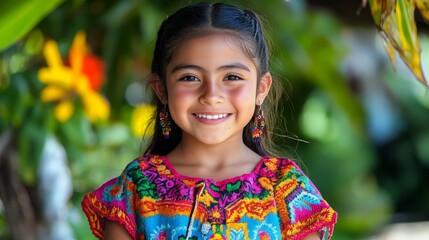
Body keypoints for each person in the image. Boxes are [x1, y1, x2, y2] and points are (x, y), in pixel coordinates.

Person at [81, 2, 337, 240]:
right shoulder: (135, 188)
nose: (212, 96)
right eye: (190, 78)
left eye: (232, 77)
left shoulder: (286, 188)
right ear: (161, 89)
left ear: (261, 88)